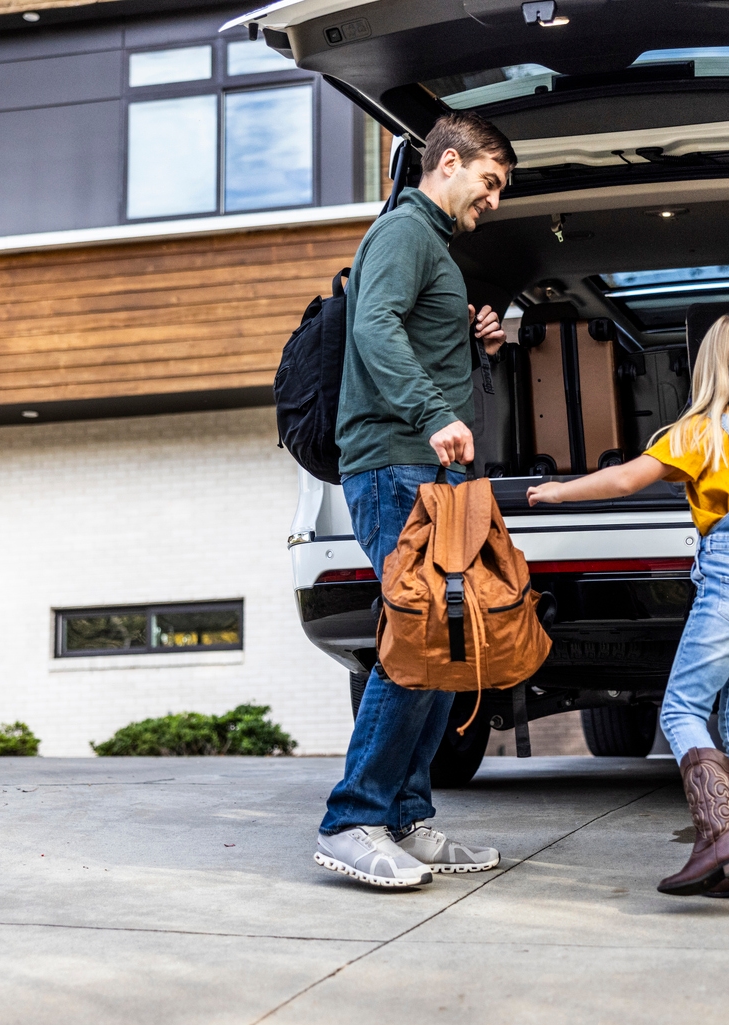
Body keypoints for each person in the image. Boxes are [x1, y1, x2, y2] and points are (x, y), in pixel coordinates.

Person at [529, 313, 729, 901]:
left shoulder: (700, 433)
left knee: (681, 709)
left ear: (709, 367)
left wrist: (559, 490)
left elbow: (624, 481)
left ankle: (720, 839)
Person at [314, 111, 517, 887]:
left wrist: (474, 340)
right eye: (490, 182)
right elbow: (373, 326)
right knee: (418, 636)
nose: (493, 199)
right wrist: (434, 412)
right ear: (451, 162)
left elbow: (411, 334)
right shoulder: (404, 231)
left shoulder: (433, 247)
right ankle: (351, 818)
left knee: (444, 644)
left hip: (427, 469)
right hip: (395, 464)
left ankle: (404, 816)